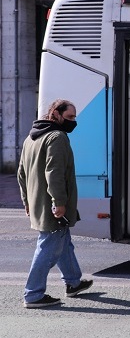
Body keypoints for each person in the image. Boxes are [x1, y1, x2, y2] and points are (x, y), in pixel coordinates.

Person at [17, 99, 94, 308]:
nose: (73, 121)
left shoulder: (31, 138)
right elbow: (54, 173)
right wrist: (59, 202)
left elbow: (21, 174)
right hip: (52, 205)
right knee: (48, 247)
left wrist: (26, 201)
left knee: (63, 242)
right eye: (69, 117)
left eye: (74, 117)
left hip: (38, 203)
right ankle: (33, 294)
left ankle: (73, 283)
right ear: (56, 114)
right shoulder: (56, 137)